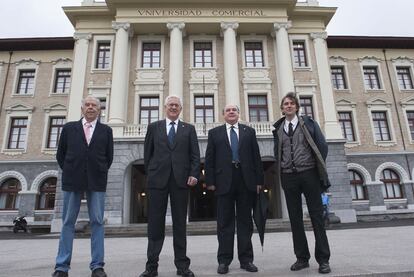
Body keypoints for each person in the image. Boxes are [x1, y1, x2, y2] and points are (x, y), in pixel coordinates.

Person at [52, 96, 114, 277]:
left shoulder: (106, 131)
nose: (90, 107)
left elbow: (108, 158)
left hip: (96, 180)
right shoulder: (69, 128)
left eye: (94, 105)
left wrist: (98, 170)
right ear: (82, 108)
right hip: (72, 179)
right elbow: (61, 155)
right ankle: (61, 267)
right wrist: (72, 169)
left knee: (97, 222)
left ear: (99, 109)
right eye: (87, 105)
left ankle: (97, 266)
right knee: (67, 222)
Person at [140, 95, 200, 277]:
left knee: (180, 225)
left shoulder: (189, 129)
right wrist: (151, 174)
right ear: (165, 107)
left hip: (181, 181)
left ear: (180, 109)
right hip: (157, 182)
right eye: (170, 105)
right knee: (155, 225)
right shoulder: (154, 127)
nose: (173, 107)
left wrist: (194, 174)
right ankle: (151, 267)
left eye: (176, 105)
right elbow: (147, 154)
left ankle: (182, 266)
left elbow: (195, 156)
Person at [272, 92, 331, 274]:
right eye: (285, 104)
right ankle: (302, 258)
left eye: (291, 103)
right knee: (295, 220)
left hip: (309, 174)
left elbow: (322, 146)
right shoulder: (279, 128)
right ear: (282, 109)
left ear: (297, 107)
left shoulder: (309, 124)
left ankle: (323, 260)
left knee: (316, 217)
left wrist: (316, 166)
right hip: (289, 176)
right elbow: (278, 152)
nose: (288, 106)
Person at [205, 104, 264, 275]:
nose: (231, 112)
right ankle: (224, 261)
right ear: (223, 114)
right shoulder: (214, 133)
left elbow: (256, 157)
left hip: (246, 181)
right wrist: (210, 180)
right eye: (228, 110)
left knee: (245, 223)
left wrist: (259, 180)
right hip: (223, 182)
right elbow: (209, 159)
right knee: (224, 224)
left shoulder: (249, 132)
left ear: (239, 114)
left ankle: (246, 260)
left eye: (234, 110)